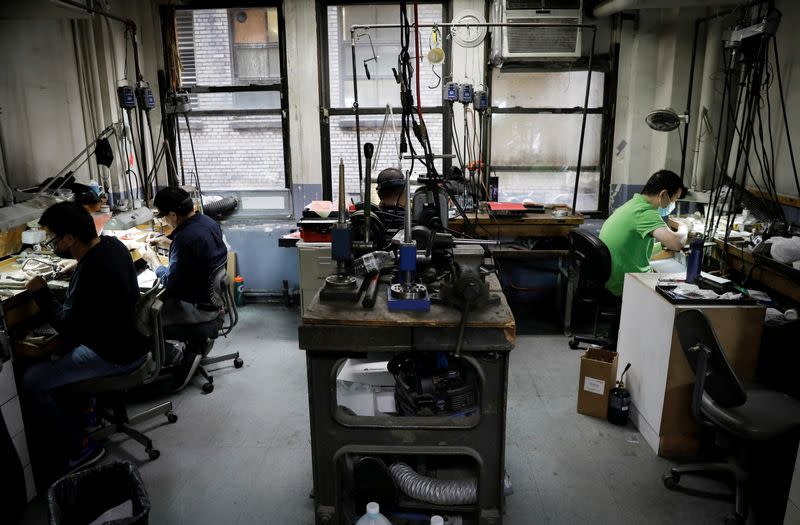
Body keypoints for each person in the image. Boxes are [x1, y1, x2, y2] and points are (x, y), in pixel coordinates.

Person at [22, 202, 148, 472]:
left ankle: (82, 447)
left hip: (115, 355)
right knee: (64, 351)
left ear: (69, 238)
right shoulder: (111, 246)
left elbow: (67, 327)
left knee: (32, 380)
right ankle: (88, 415)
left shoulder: (91, 270)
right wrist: (77, 266)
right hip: (130, 341)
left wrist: (40, 291)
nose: (51, 243)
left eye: (53, 237)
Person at [140, 187, 227, 341]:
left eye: (163, 217)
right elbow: (199, 251)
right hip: (213, 301)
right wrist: (169, 243)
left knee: (142, 321)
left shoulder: (184, 239)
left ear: (173, 215)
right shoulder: (208, 222)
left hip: (199, 308)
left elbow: (170, 283)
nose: (164, 221)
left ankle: (172, 356)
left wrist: (153, 259)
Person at [599, 169, 689, 296]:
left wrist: (662, 246)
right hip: (625, 287)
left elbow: (633, 250)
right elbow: (676, 243)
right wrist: (684, 227)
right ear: (663, 194)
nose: (673, 203)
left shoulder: (633, 205)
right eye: (675, 199)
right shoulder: (645, 212)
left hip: (612, 282)